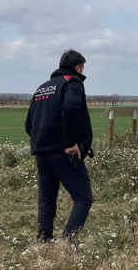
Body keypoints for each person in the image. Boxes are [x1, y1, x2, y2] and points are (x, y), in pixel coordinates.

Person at [25, 49, 95, 242]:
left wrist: (42, 141)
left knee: (46, 202)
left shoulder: (42, 88)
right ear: (77, 67)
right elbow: (71, 109)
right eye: (82, 68)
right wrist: (71, 143)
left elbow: (29, 124)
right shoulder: (72, 83)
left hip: (41, 152)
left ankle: (43, 242)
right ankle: (68, 243)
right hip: (64, 152)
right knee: (83, 198)